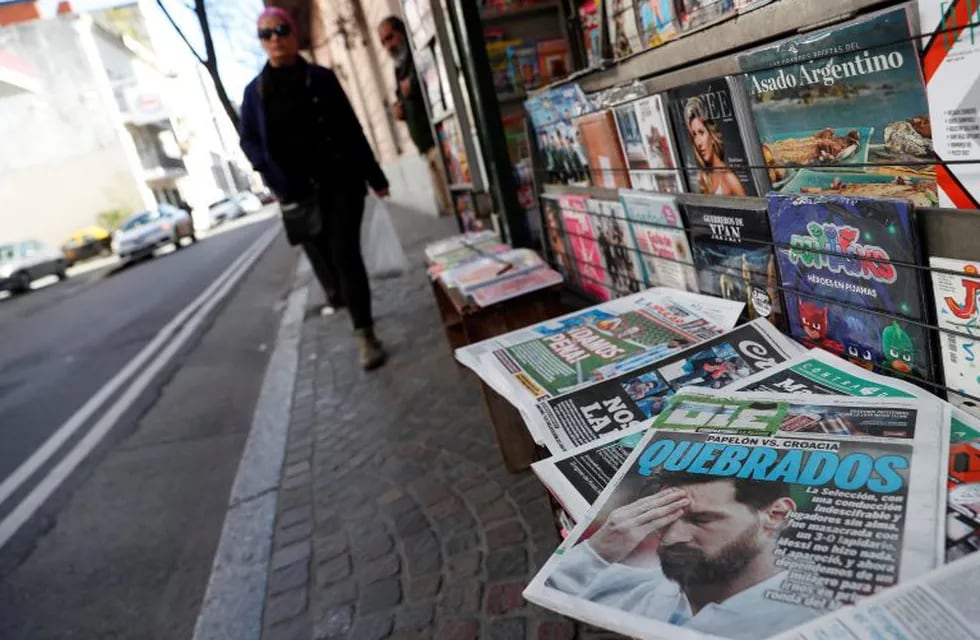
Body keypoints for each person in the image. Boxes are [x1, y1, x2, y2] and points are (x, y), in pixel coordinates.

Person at [239, 7, 389, 370]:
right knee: (330, 267)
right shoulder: (255, 93)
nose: (275, 38)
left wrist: (374, 175)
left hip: (341, 183)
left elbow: (351, 127)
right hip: (297, 194)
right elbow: (251, 143)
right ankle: (348, 303)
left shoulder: (320, 78)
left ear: (294, 34)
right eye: (266, 34)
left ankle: (364, 335)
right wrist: (271, 180)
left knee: (345, 255)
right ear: (261, 43)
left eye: (281, 29)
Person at [547, 473, 820, 639]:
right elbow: (551, 594)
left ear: (776, 515)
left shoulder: (814, 617)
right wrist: (598, 551)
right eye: (664, 519)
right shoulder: (626, 586)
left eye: (702, 520)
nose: (671, 538)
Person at [377, 16, 453, 216]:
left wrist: (415, 86)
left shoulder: (417, 53)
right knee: (449, 205)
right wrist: (398, 109)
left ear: (402, 33)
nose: (388, 46)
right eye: (383, 42)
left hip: (440, 138)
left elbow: (435, 78)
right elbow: (402, 96)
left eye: (390, 38)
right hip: (425, 146)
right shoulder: (399, 67)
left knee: (457, 202)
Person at [683, 96, 747, 196]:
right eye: (694, 135)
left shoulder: (729, 178)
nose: (698, 143)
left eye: (701, 132)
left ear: (712, 137)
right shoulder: (704, 176)